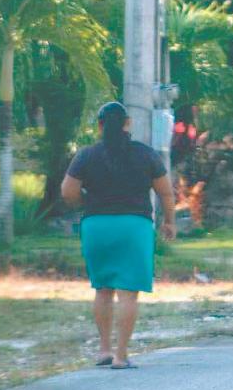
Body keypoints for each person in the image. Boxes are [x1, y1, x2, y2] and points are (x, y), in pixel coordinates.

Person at [61, 102, 176, 370]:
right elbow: (165, 192)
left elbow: (68, 191)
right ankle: (121, 356)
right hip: (134, 226)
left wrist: (85, 203)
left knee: (102, 289)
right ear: (128, 123)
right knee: (128, 293)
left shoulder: (87, 155)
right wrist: (169, 221)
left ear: (100, 126)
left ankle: (104, 350)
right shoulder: (145, 154)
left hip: (96, 226)